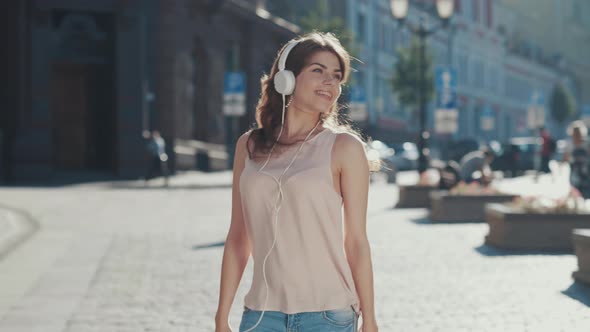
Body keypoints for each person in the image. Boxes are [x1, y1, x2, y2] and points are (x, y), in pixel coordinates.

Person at [215, 32, 379, 332]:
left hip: (328, 315)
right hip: (261, 316)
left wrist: (370, 319)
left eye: (336, 76)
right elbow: (238, 238)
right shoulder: (248, 146)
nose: (329, 82)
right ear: (286, 79)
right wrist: (221, 316)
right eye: (318, 71)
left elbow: (356, 241)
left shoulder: (344, 147)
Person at [563, 120, 590, 198]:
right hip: (574, 174)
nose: (576, 135)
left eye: (578, 133)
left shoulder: (587, 144)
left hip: (586, 173)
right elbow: (565, 159)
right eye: (575, 133)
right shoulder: (569, 145)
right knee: (576, 194)